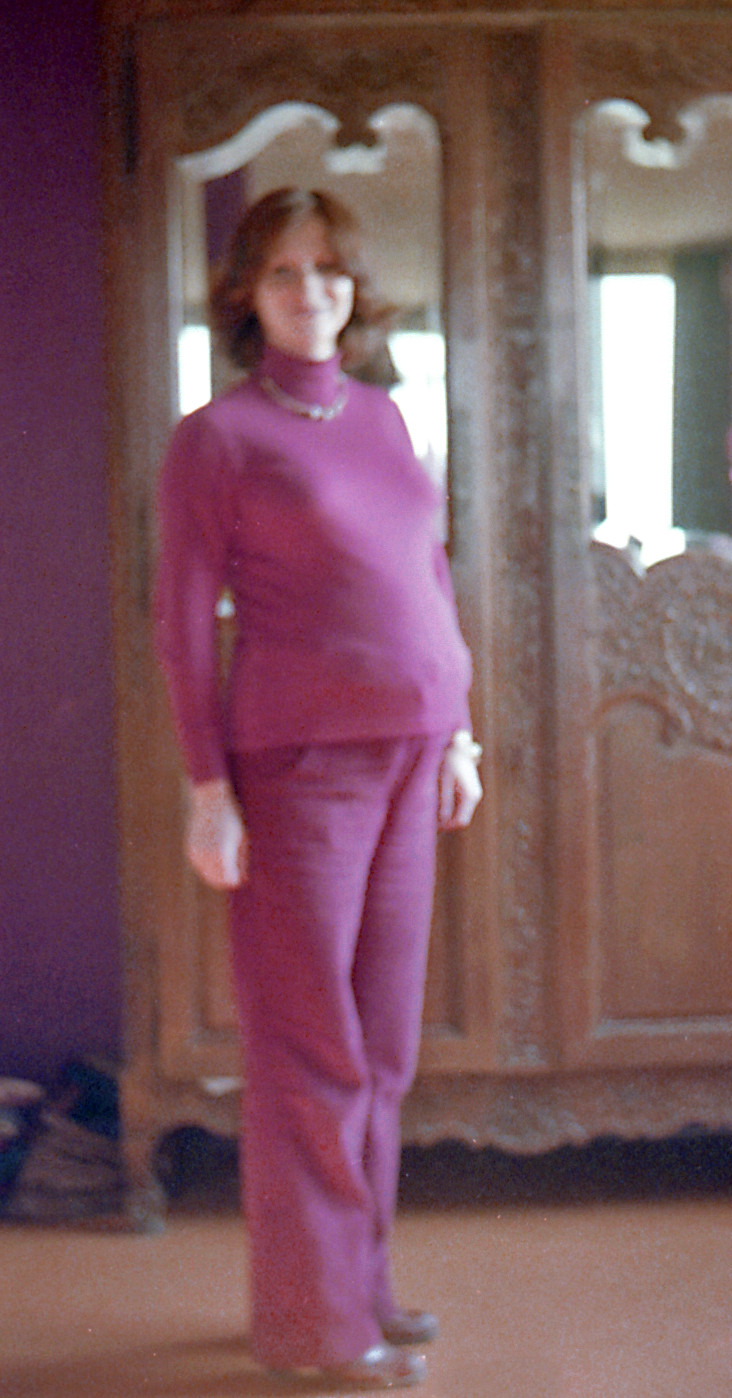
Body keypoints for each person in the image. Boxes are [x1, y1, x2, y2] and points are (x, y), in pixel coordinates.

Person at [153, 187, 482, 1390]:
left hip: (413, 751)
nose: (312, 292)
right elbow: (181, 624)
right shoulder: (217, 439)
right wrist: (207, 789)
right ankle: (312, 1326)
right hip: (297, 768)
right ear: (247, 294)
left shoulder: (384, 417)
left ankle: (363, 1289)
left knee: (383, 1048)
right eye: (285, 273)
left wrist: (460, 730)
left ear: (355, 286)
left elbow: (427, 571)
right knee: (309, 1051)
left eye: (330, 270)